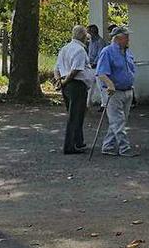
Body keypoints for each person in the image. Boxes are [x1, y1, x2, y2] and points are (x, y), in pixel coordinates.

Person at [96, 26, 139, 157]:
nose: (128, 39)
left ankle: (108, 146)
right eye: (126, 37)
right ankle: (124, 148)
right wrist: (110, 84)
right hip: (114, 93)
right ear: (119, 38)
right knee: (118, 121)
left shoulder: (127, 52)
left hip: (127, 90)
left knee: (119, 121)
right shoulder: (107, 51)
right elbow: (101, 73)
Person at [54, 25, 96, 155]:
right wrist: (65, 81)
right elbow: (76, 70)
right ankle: (70, 145)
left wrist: (59, 81)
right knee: (75, 116)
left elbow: (56, 68)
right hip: (76, 85)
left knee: (75, 114)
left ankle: (78, 141)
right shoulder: (80, 50)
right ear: (83, 36)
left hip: (67, 85)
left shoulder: (64, 49)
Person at [87, 24, 109, 109]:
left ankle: (104, 105)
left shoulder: (100, 41)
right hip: (91, 67)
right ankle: (87, 103)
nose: (87, 33)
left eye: (88, 31)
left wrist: (94, 63)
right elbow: (90, 54)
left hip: (98, 67)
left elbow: (100, 55)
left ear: (93, 32)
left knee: (101, 87)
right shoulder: (91, 41)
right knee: (89, 86)